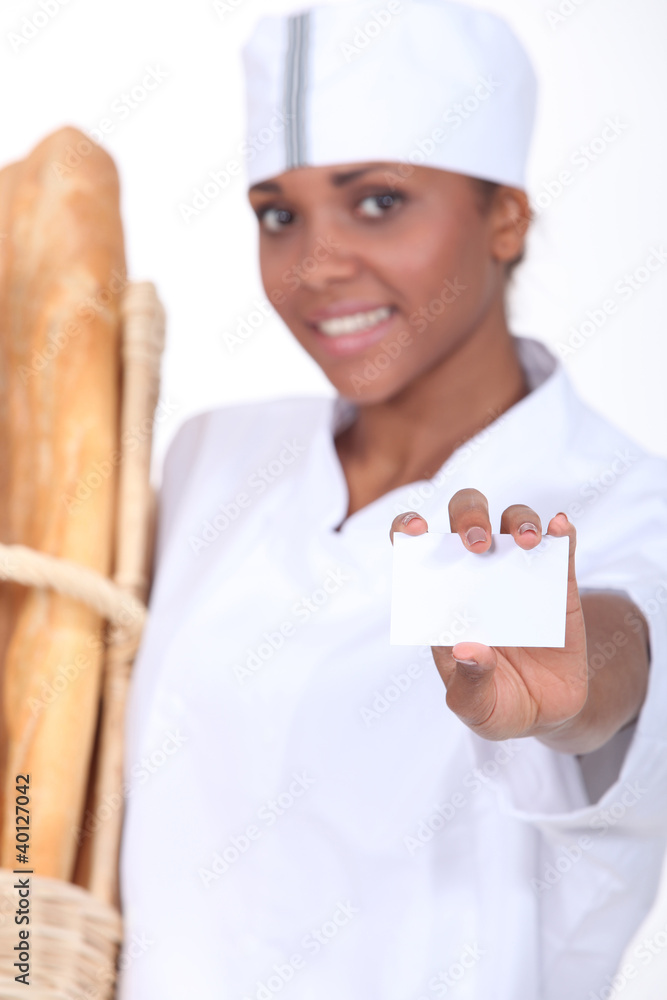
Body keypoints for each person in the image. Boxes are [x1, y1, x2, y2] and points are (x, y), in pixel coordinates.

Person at [117, 2, 667, 999]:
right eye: (278, 215)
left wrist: (579, 679)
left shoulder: (628, 503)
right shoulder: (215, 455)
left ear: (505, 217)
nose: (316, 266)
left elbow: (626, 651)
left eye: (377, 201)